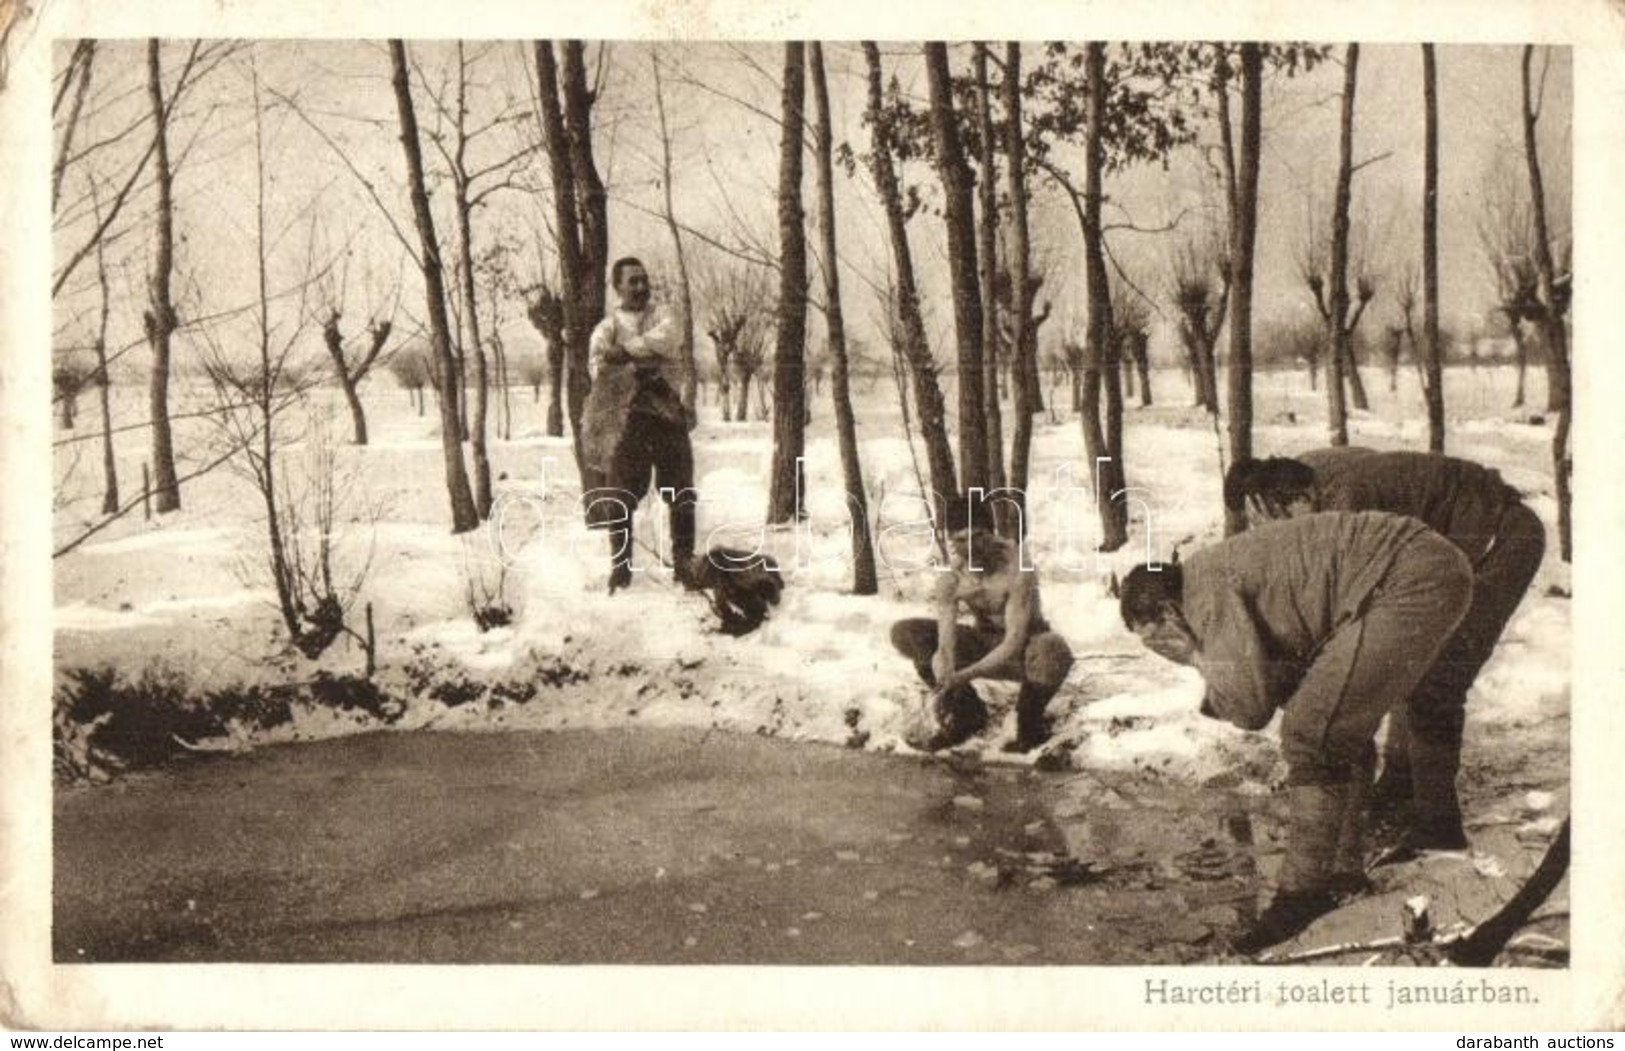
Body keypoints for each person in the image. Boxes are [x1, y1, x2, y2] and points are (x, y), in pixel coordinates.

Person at [1120, 511, 1473, 953]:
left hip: (1407, 577)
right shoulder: (1204, 578)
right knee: (1333, 721)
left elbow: (1249, 709)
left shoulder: (1204, 596)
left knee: (1310, 733)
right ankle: (1341, 871)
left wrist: (1195, 656)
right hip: (1420, 565)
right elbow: (1279, 676)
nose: (1158, 652)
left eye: (1154, 639)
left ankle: (1301, 896)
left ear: (1169, 612)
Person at [1224, 448, 1545, 857]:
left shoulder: (1345, 506)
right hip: (1455, 542)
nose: (1284, 531)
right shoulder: (1305, 473)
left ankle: (1438, 830)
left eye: (1279, 518)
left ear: (1297, 499)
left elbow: (1356, 603)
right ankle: (1400, 779)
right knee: (1408, 659)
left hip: (1501, 541)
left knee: (1436, 683)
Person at [890, 496, 1074, 753]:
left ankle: (1028, 722)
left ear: (992, 534)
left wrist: (964, 675)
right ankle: (965, 714)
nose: (972, 547)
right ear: (951, 542)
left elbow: (1014, 641)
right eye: (961, 540)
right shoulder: (952, 579)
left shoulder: (1017, 567)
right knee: (906, 633)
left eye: (978, 536)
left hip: (1025, 651)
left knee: (1052, 649)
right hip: (984, 642)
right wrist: (943, 669)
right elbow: (945, 642)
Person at [580, 257, 697, 594]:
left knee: (680, 491)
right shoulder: (606, 327)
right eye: (632, 281)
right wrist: (643, 367)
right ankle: (620, 571)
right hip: (627, 421)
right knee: (620, 496)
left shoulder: (663, 315)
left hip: (666, 415)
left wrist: (628, 352)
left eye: (644, 280)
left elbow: (670, 339)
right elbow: (599, 367)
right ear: (617, 287)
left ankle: (685, 564)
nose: (641, 287)